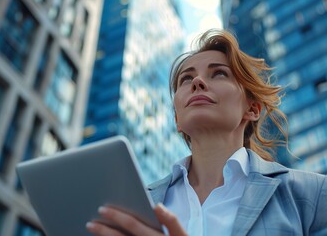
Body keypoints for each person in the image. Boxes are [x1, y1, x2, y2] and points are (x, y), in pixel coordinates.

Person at [86, 29, 327, 235]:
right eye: (186, 78)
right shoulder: (135, 207)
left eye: (219, 73)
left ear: (252, 109)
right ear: (177, 119)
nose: (197, 82)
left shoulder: (312, 195)